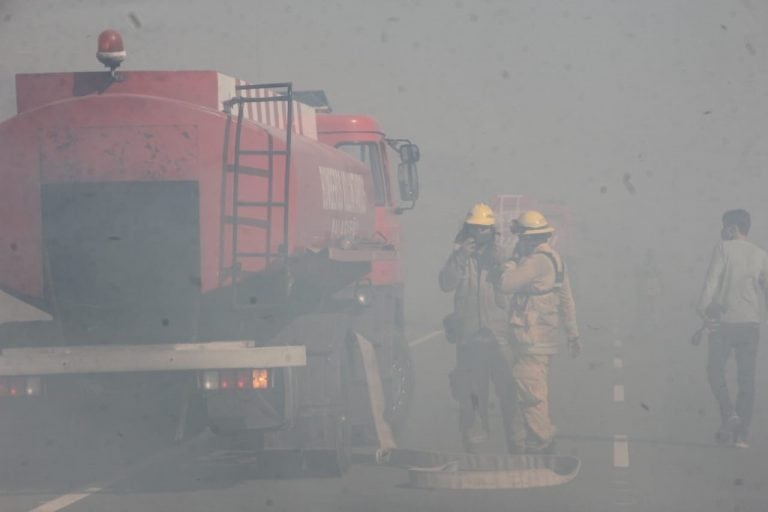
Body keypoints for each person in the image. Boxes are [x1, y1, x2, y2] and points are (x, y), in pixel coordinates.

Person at [496, 210, 581, 454]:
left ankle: (542, 440)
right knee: (532, 387)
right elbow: (567, 299)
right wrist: (573, 334)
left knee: (530, 390)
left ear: (529, 238)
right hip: (542, 336)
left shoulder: (535, 261)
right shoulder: (555, 258)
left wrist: (511, 262)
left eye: (521, 238)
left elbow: (505, 284)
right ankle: (529, 441)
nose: (519, 242)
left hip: (531, 337)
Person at [439, 203, 513, 452]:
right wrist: (461, 256)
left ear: (492, 232)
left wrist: (499, 263)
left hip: (498, 334)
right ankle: (474, 438)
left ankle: (516, 439)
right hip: (469, 336)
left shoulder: (500, 254)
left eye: (485, 230)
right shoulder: (459, 256)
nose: (481, 234)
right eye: (476, 229)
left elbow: (511, 287)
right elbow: (446, 284)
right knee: (471, 391)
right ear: (468, 230)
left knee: (507, 390)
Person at [697, 209, 768, 448]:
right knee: (746, 379)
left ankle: (729, 414)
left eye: (725, 225)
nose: (722, 230)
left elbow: (711, 282)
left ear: (733, 228)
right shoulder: (761, 254)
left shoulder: (723, 248)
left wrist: (704, 311)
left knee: (714, 370)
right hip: (750, 325)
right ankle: (742, 436)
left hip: (724, 324)